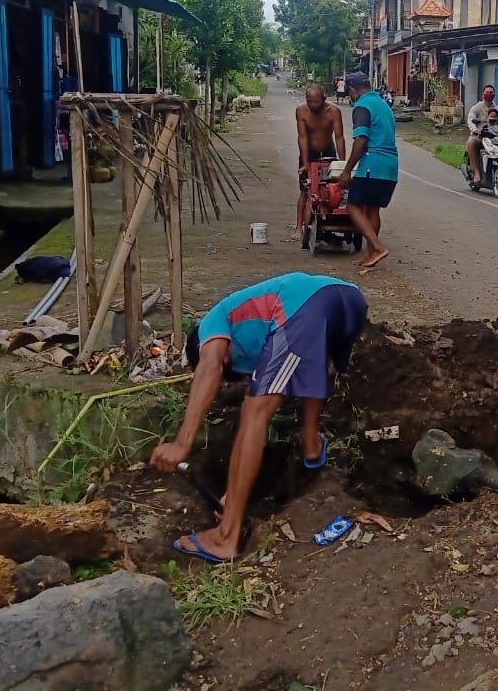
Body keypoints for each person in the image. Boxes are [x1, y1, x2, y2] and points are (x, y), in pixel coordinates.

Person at [149, 273, 369, 562]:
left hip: (304, 304)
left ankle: (225, 536)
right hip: (348, 300)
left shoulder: (213, 323)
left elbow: (209, 366)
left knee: (253, 411)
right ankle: (311, 444)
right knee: (310, 358)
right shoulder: (256, 327)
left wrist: (182, 443)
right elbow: (306, 363)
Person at [339, 71, 398, 268]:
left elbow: (361, 140)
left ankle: (378, 248)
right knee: (373, 208)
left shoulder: (362, 106)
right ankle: (370, 254)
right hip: (391, 165)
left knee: (353, 206)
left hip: (373, 163)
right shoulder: (383, 104)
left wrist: (347, 170)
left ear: (352, 89)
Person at [295, 84, 347, 236]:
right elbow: (302, 137)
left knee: (331, 188)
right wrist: (305, 163)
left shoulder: (333, 111)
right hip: (309, 152)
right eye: (309, 101)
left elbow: (339, 138)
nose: (312, 105)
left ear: (324, 99)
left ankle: (328, 221)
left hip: (328, 151)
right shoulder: (301, 110)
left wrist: (342, 164)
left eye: (316, 102)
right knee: (305, 190)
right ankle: (299, 227)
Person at [466, 85, 498, 185]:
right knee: (471, 142)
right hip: (480, 136)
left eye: (491, 92)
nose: (489, 94)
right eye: (487, 92)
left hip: (495, 138)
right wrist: (475, 130)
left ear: (494, 95)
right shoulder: (477, 107)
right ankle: (476, 173)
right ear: (483, 94)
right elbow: (470, 119)